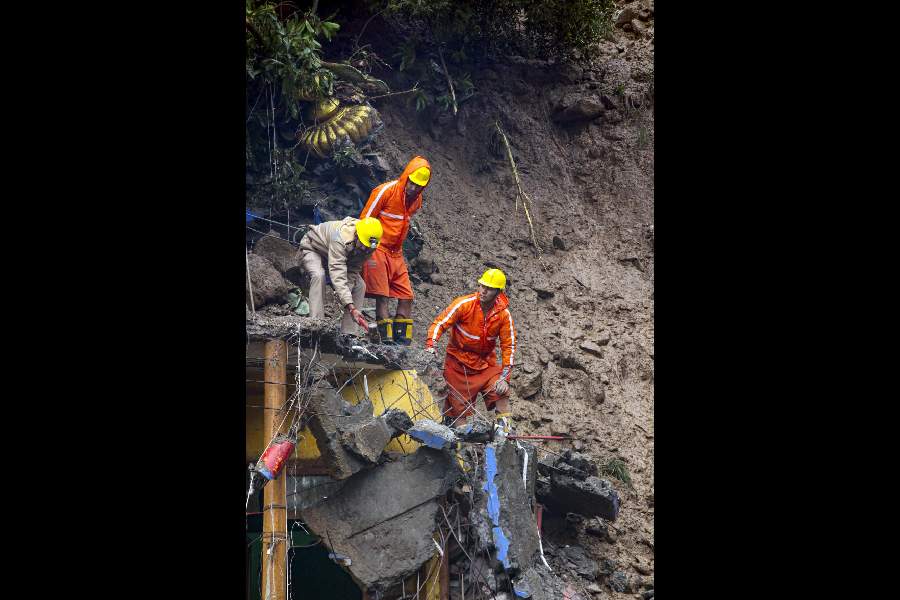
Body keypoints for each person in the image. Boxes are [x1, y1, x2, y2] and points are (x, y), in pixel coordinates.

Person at [425, 269, 516, 431]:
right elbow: (440, 323)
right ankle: (464, 448)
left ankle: (504, 436)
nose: (483, 291)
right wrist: (432, 344)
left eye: (489, 288)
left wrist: (504, 378)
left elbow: (508, 346)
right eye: (482, 286)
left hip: (485, 364)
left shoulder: (503, 314)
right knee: (459, 411)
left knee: (501, 391)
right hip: (457, 364)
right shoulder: (464, 304)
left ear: (498, 292)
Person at [359, 156, 431, 345]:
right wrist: (363, 253)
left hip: (396, 253)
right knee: (383, 296)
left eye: (419, 186)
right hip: (378, 248)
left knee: (406, 296)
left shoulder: (417, 200)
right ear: (406, 177)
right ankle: (386, 341)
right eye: (412, 183)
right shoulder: (386, 191)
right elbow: (364, 221)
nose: (414, 188)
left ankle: (403, 344)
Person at [296, 216, 383, 334]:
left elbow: (353, 270)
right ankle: (316, 325)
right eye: (362, 244)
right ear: (356, 234)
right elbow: (338, 272)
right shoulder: (340, 238)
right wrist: (349, 304)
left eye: (367, 246)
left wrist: (348, 303)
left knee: (360, 286)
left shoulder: (369, 246)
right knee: (318, 275)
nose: (364, 248)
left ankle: (349, 333)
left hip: (335, 259)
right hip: (313, 249)